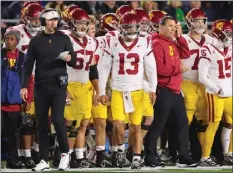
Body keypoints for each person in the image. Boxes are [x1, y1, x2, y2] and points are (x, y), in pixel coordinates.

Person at [99, 12, 157, 169]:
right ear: (121, 28)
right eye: (127, 27)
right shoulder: (112, 41)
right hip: (118, 90)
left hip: (137, 90)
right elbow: (104, 67)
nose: (131, 31)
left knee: (136, 125)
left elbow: (151, 67)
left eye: (133, 27)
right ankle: (120, 153)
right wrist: (101, 90)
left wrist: (152, 88)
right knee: (118, 124)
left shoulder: (145, 41)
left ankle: (137, 158)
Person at [20, 8, 76, 171]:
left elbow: (74, 61)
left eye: (56, 20)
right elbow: (28, 65)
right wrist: (24, 86)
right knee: (42, 123)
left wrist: (69, 58)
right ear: (44, 21)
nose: (54, 23)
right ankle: (44, 159)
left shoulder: (64, 38)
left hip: (59, 84)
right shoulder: (36, 41)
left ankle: (66, 153)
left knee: (58, 120)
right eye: (50, 20)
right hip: (41, 85)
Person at [143, 16, 197, 167]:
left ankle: (183, 156)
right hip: (163, 88)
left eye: (175, 26)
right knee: (158, 124)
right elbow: (157, 69)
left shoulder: (171, 41)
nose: (173, 28)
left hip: (175, 89)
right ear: (160, 26)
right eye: (170, 26)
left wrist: (180, 37)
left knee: (182, 123)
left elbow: (186, 54)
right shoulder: (156, 43)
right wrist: (177, 69)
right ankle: (150, 156)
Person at [198, 19, 233, 166]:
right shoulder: (207, 48)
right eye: (227, 33)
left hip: (229, 93)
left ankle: (229, 154)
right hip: (215, 94)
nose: (230, 36)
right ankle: (205, 158)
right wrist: (217, 88)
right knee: (213, 125)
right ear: (219, 34)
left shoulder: (230, 47)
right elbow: (202, 76)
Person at [1, 29, 34, 169]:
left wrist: (28, 100)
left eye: (11, 39)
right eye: (6, 39)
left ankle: (13, 160)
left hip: (14, 102)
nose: (8, 41)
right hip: (2, 100)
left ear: (17, 41)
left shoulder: (24, 58)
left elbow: (30, 81)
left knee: (13, 134)